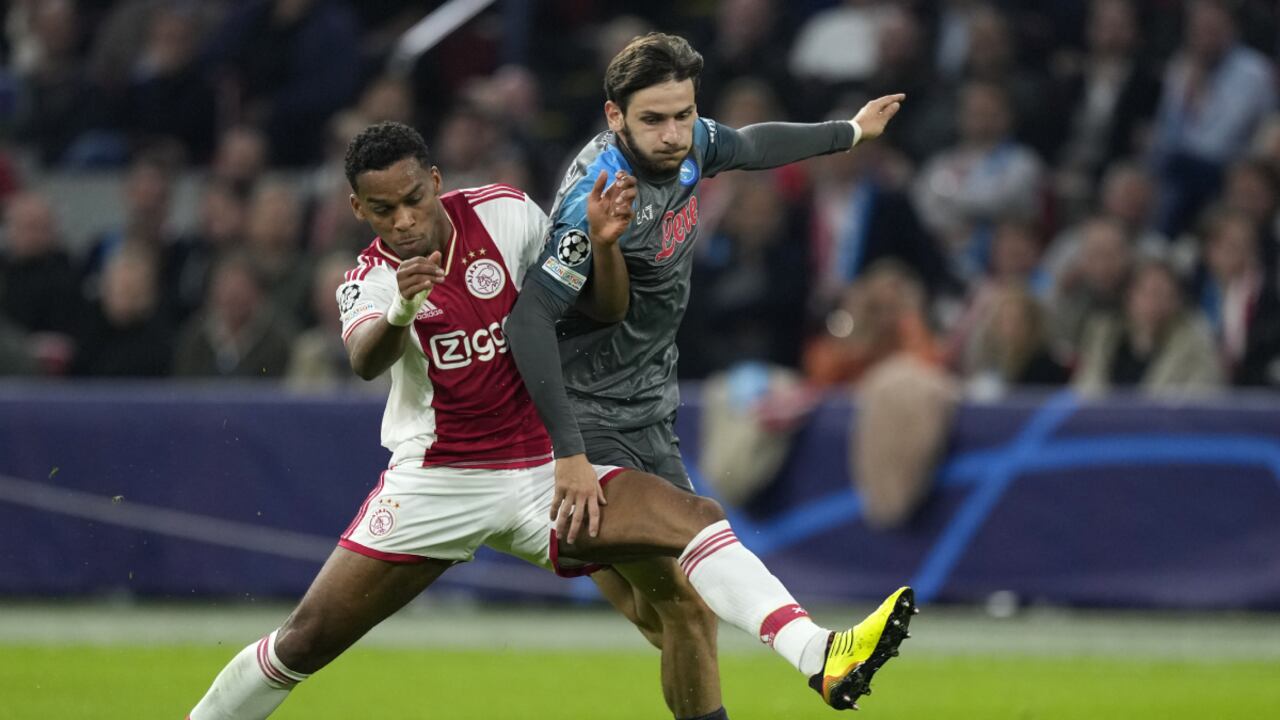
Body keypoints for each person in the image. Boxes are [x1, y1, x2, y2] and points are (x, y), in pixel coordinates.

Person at [185, 122, 916, 719]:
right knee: (302, 642)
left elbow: (598, 308)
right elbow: (364, 360)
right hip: (438, 482)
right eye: (383, 211)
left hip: (548, 470)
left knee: (686, 576)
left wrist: (601, 245)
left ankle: (817, 653)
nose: (404, 221)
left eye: (413, 199)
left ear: (436, 180)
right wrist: (404, 306)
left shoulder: (506, 215)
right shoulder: (370, 278)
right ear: (357, 210)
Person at [505, 33, 908, 719]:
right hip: (586, 416)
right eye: (654, 120)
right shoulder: (594, 200)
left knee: (678, 615)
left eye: (683, 115)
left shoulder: (686, 144)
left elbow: (750, 145)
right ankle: (818, 652)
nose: (674, 134)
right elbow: (528, 321)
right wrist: (569, 454)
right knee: (690, 577)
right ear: (614, 116)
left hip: (646, 408)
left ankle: (812, 658)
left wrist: (849, 132)